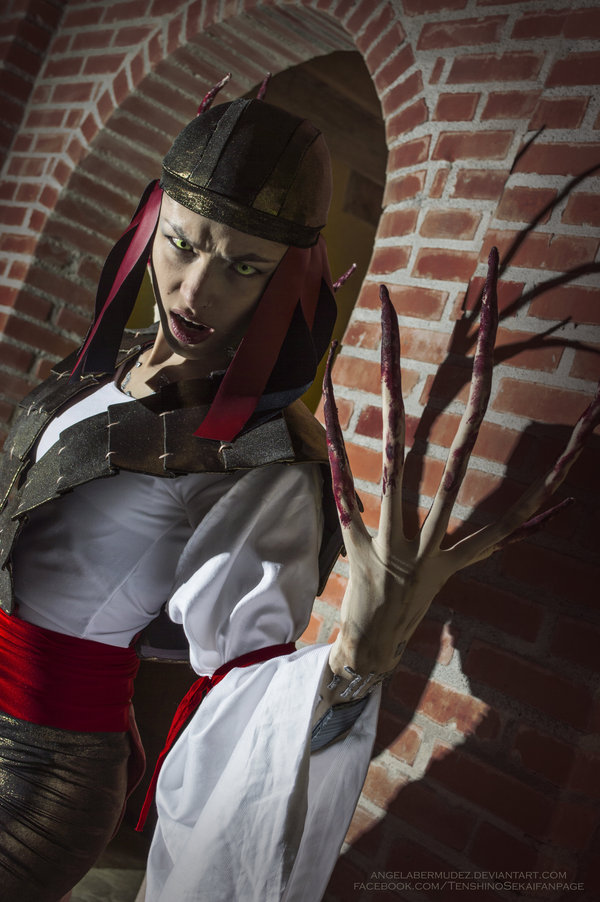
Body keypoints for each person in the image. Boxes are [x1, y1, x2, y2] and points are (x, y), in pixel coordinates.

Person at [0, 79, 596, 902]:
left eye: (244, 266)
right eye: (181, 244)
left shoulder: (258, 457)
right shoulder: (102, 371)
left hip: (35, 775)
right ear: (150, 225)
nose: (196, 290)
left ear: (287, 276)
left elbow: (242, 682)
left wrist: (354, 662)